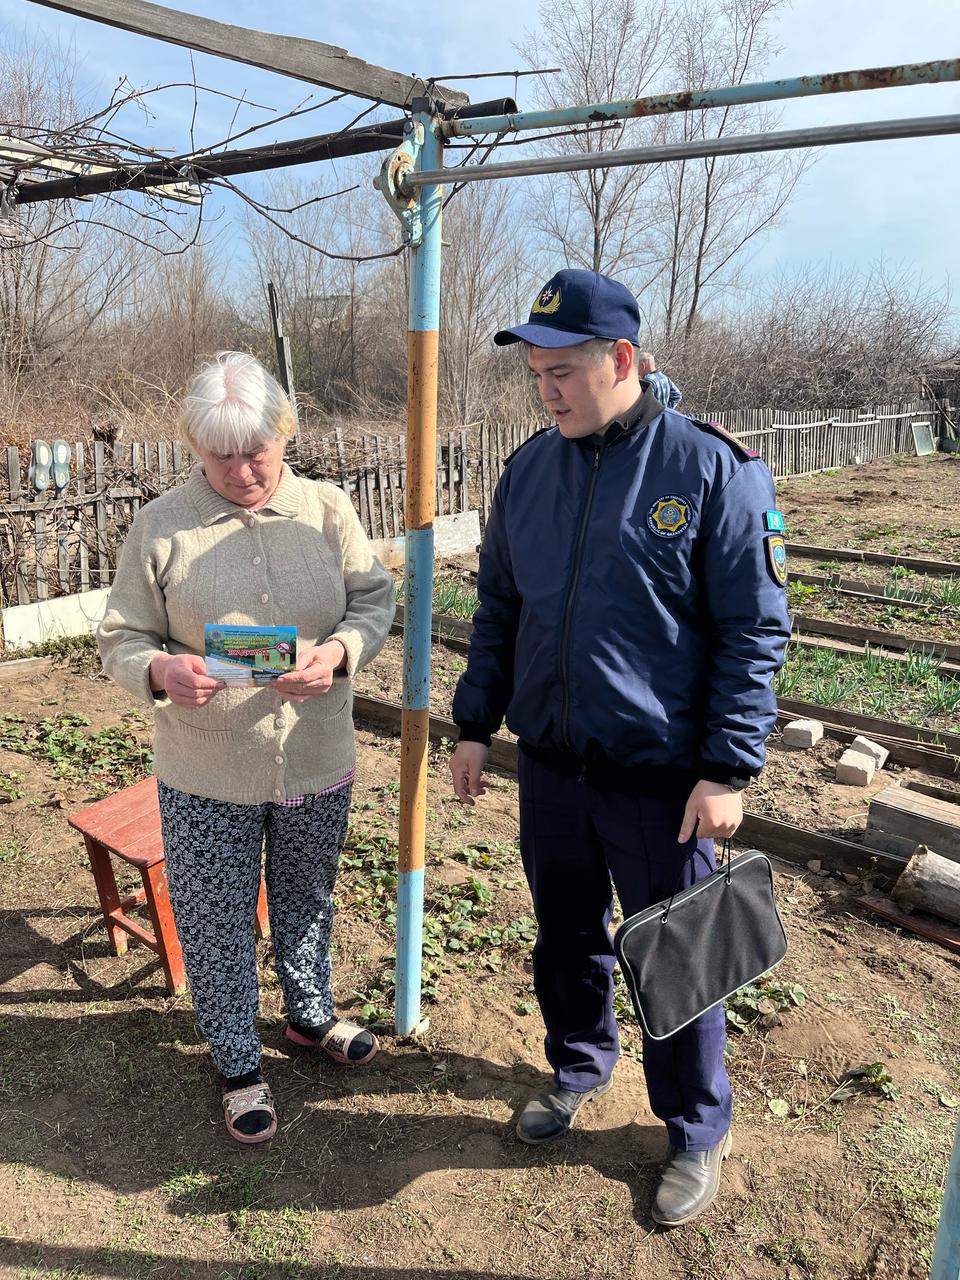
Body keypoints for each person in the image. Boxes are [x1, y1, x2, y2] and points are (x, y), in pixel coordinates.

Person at [450, 270, 790, 1227]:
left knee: (678, 958)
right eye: (536, 374)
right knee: (565, 938)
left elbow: (753, 630)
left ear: (623, 360)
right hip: (554, 772)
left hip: (663, 784)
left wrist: (727, 768)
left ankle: (692, 1128)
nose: (547, 389)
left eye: (563, 371)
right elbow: (500, 612)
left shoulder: (710, 470)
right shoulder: (528, 474)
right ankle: (577, 1064)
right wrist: (475, 727)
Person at [98, 352, 395, 1145]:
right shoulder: (162, 525)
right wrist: (159, 669)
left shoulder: (328, 511)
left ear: (284, 431)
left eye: (256, 449)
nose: (241, 469)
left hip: (316, 756)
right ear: (195, 448)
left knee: (308, 897)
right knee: (216, 918)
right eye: (220, 455)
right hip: (206, 769)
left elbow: (372, 598)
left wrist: (336, 655)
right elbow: (120, 636)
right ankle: (235, 1059)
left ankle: (308, 1014)